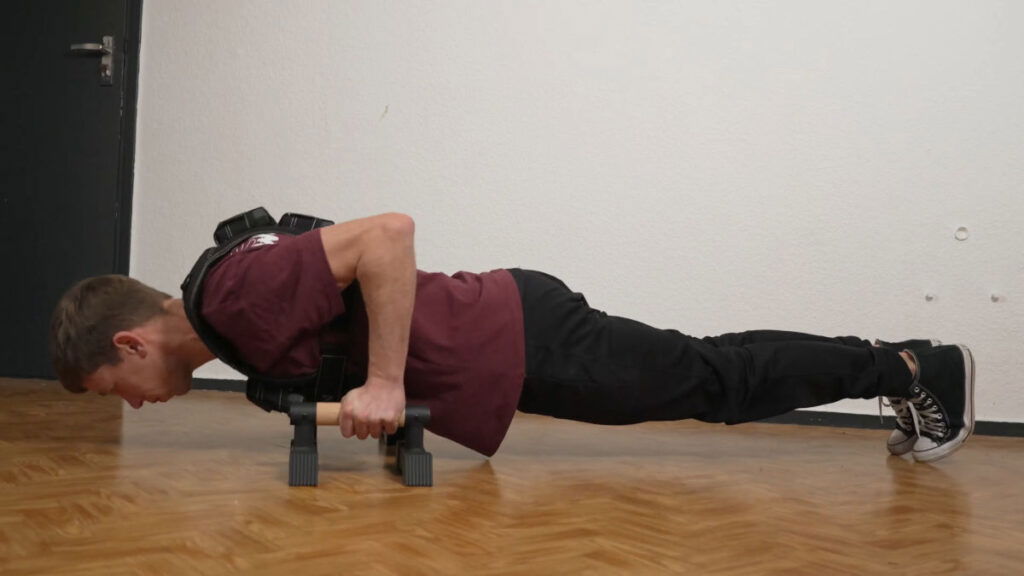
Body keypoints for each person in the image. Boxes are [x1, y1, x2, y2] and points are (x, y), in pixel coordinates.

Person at [49, 212, 975, 463]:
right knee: (709, 365)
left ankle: (910, 367)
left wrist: (379, 385)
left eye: (113, 391)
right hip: (510, 337)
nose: (132, 407)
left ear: (131, 345)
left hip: (519, 336)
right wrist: (377, 393)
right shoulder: (226, 301)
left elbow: (388, 233)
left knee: (715, 380)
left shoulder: (235, 296)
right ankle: (895, 366)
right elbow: (343, 309)